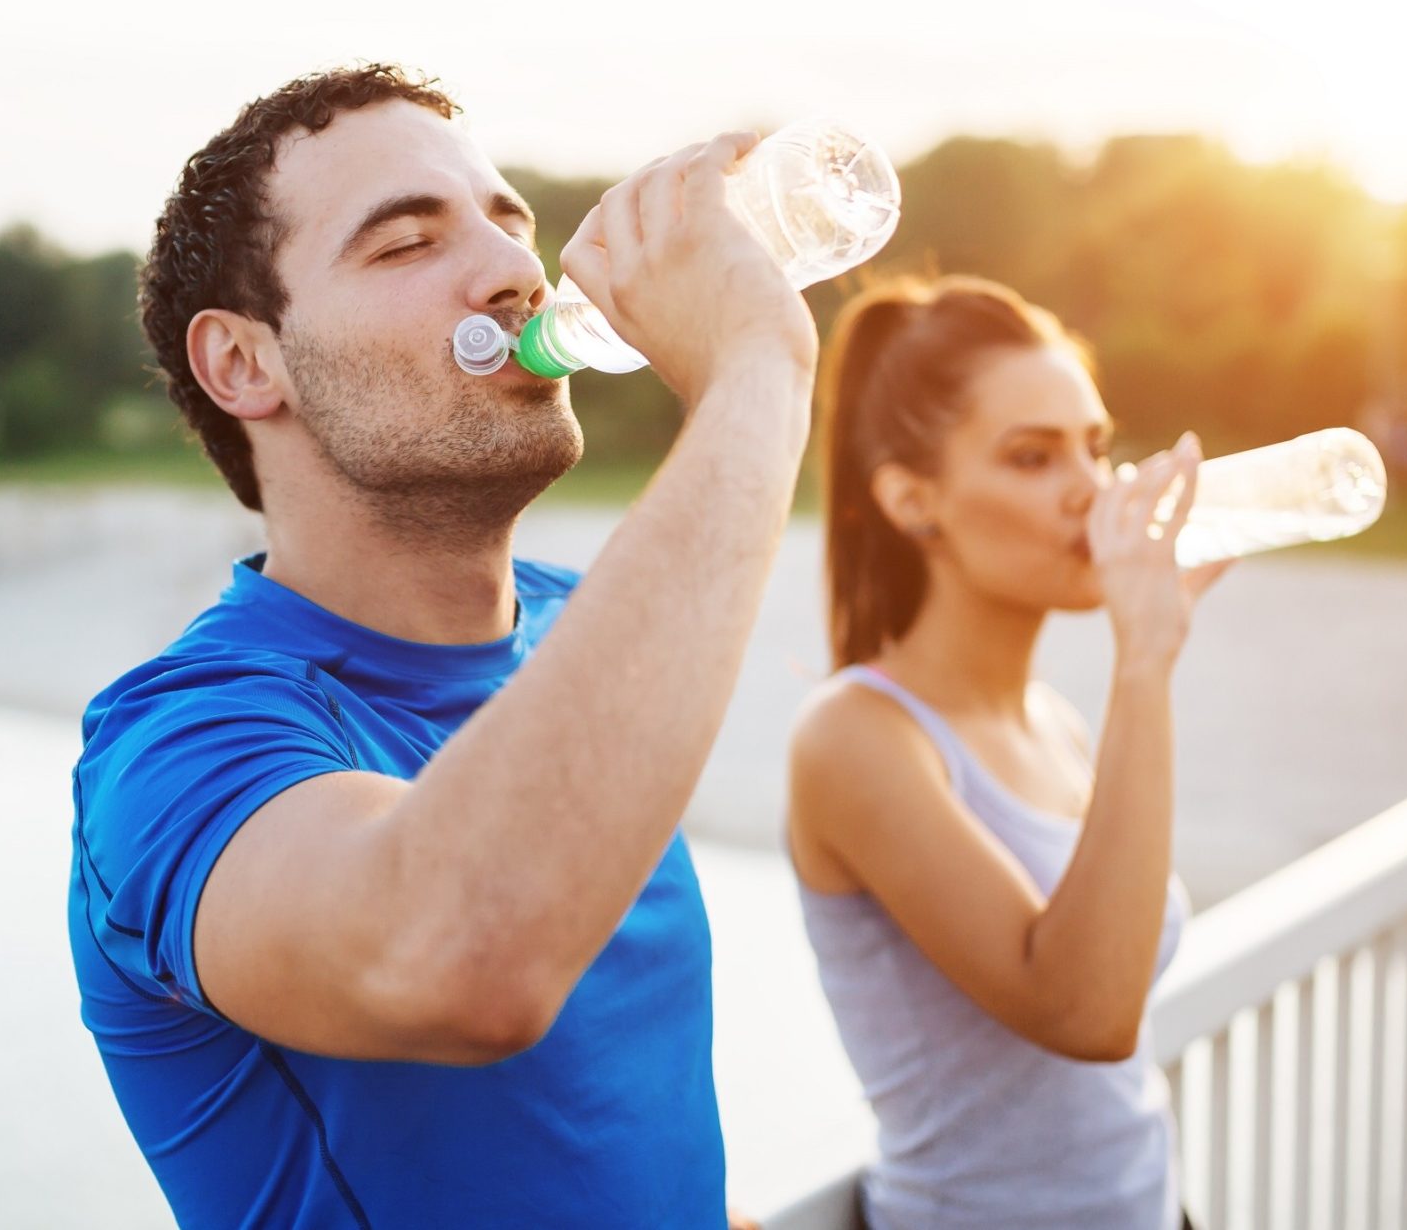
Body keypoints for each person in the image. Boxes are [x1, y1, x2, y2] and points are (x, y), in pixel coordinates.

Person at [68, 63, 813, 1227]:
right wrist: (757, 370)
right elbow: (462, 957)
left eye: (509, 224)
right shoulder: (174, 748)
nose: (517, 271)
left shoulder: (584, 629)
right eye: (406, 245)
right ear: (244, 363)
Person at [785, 275, 1231, 1229]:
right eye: (1033, 457)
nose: (1093, 491)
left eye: (1097, 447)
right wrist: (1144, 662)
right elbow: (1086, 1012)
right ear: (913, 501)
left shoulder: (1054, 721)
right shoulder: (856, 738)